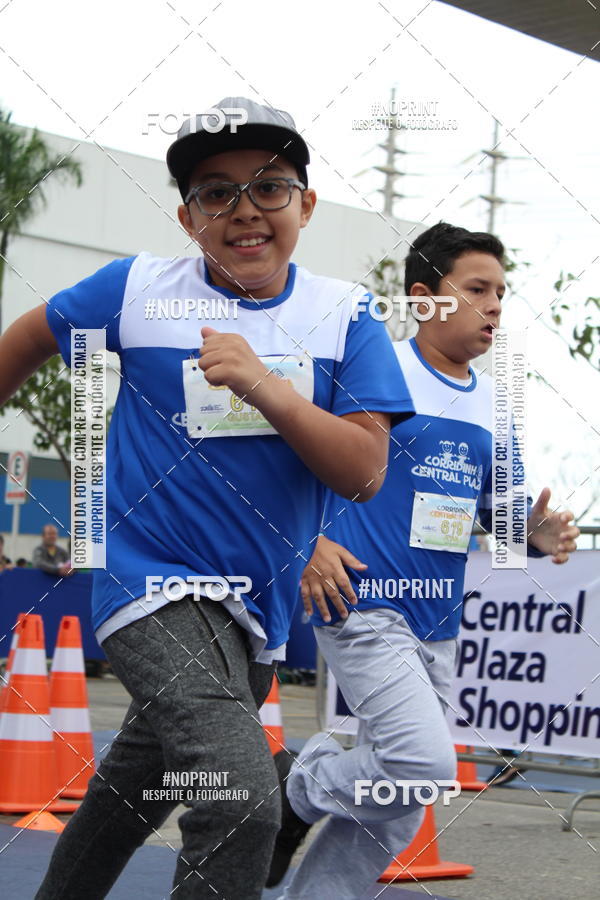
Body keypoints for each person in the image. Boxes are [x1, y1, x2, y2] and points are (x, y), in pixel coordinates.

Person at [0, 97, 413, 899]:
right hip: (146, 582)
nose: (245, 211)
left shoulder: (344, 315)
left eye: (269, 187)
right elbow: (26, 337)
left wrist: (269, 389)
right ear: (188, 217)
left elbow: (363, 471)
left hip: (254, 606)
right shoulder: (137, 289)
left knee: (129, 794)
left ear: (307, 202)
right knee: (243, 803)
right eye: (216, 193)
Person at [269, 222, 580, 899]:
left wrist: (538, 531)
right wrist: (307, 544)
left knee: (402, 804)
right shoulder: (373, 370)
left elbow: (502, 513)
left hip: (439, 624)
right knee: (421, 763)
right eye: (476, 289)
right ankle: (300, 782)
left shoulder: (497, 404)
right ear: (425, 298)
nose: (495, 305)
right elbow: (289, 455)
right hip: (361, 601)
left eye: (502, 291)